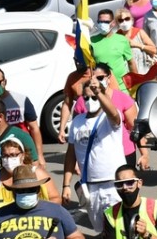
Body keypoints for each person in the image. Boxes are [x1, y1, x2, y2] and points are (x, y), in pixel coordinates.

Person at [62, 78, 125, 236]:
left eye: (94, 97)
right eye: (87, 97)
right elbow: (71, 154)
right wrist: (66, 185)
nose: (90, 101)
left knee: (119, 228)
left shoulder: (109, 117)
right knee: (101, 230)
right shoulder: (77, 122)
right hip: (90, 187)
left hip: (113, 185)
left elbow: (114, 115)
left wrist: (99, 92)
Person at [0, 165, 84, 239]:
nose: (26, 193)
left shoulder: (57, 211)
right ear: (13, 192)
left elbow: (76, 236)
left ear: (38, 190)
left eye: (30, 189)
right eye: (21, 190)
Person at [0, 67, 46, 165]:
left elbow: (34, 128)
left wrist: (39, 155)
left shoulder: (21, 101)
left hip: (23, 152)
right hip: (2, 156)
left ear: (4, 82)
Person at [103, 165, 157, 239]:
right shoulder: (110, 214)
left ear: (139, 183)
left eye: (129, 182)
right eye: (119, 184)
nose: (125, 187)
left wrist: (146, 234)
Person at [0, 138, 60, 202]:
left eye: (13, 155)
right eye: (5, 156)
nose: (9, 159)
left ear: (23, 155)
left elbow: (55, 198)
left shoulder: (38, 174)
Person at [90, 9, 136, 84]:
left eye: (106, 22)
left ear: (113, 23)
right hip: (102, 87)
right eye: (100, 22)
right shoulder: (91, 41)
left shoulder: (122, 40)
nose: (102, 24)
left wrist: (136, 83)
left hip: (121, 86)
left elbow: (131, 62)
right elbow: (89, 66)